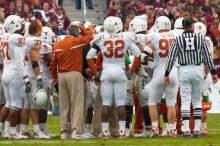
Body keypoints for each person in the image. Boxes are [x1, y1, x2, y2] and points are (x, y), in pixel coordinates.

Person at [87, 16, 141, 138]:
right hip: (120, 71)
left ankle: (104, 132)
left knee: (105, 103)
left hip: (106, 71)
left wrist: (96, 73)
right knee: (120, 103)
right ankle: (122, 131)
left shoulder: (101, 37)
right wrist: (131, 71)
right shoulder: (126, 36)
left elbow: (89, 57)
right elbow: (138, 54)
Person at [164, 17, 218, 138]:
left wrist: (167, 74)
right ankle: (197, 130)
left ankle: (186, 129)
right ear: (192, 26)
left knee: (185, 100)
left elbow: (171, 58)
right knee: (197, 100)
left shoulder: (177, 39)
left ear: (183, 26)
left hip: (183, 70)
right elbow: (208, 57)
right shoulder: (201, 38)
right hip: (198, 70)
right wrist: (213, 72)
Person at [50, 23, 93, 139]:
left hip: (61, 75)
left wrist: (54, 77)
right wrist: (81, 27)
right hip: (74, 73)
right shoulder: (77, 41)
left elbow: (53, 63)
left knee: (64, 104)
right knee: (77, 103)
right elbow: (90, 37)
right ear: (76, 33)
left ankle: (65, 132)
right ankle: (77, 131)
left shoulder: (58, 44)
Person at [144, 16, 179, 137]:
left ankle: (154, 128)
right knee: (171, 102)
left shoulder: (154, 36)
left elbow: (144, 55)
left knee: (152, 101)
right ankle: (171, 129)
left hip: (159, 71)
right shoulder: (176, 35)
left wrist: (149, 63)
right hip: (174, 71)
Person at [0, 15, 30, 138]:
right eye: (21, 24)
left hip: (6, 73)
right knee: (16, 104)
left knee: (8, 103)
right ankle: (12, 132)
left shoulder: (4, 36)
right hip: (14, 74)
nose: (22, 26)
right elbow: (19, 61)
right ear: (16, 25)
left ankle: (2, 130)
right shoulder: (17, 38)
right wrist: (25, 78)